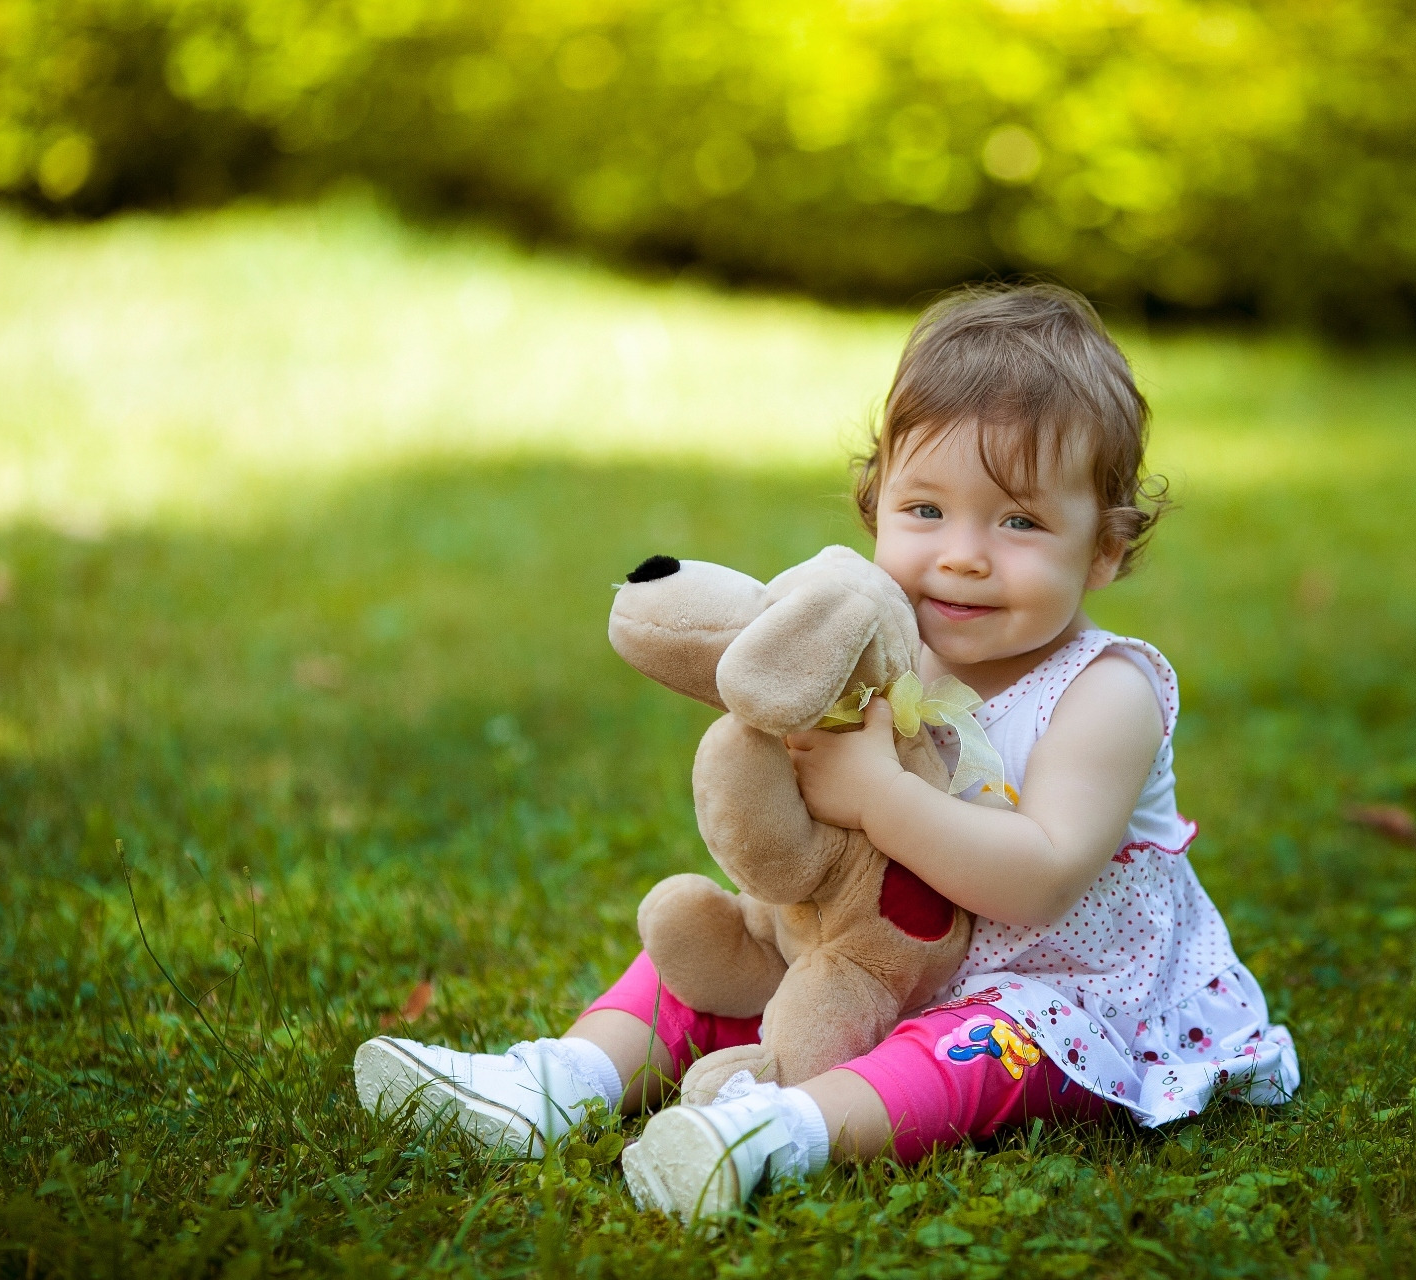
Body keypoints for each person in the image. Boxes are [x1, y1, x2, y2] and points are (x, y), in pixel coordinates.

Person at [353, 282, 1299, 1221]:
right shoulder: (887, 649)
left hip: (1056, 987)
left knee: (981, 1052)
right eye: (925, 510)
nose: (963, 554)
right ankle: (563, 1078)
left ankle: (781, 1132)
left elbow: (1042, 879)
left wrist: (877, 794)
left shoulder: (1107, 692)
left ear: (1105, 549)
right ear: (875, 504)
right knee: (727, 946)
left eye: (1018, 522)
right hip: (865, 950)